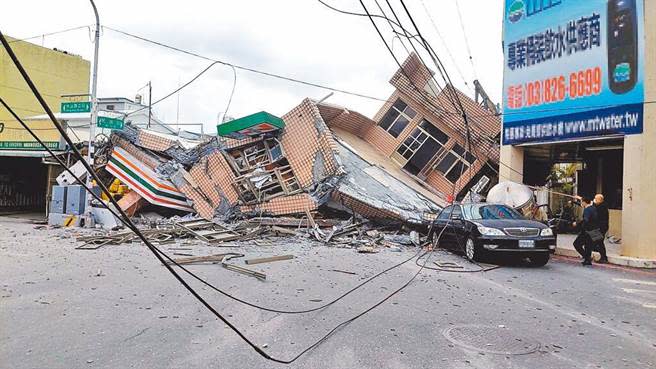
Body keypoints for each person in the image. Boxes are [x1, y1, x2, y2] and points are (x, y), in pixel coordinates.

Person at [572, 195, 599, 266]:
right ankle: (587, 260)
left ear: (584, 202)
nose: (581, 204)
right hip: (594, 230)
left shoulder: (587, 210)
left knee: (576, 244)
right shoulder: (593, 208)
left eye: (582, 202)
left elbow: (585, 220)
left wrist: (577, 223)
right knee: (588, 246)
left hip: (587, 230)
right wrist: (576, 200)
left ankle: (587, 258)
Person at [594, 194, 609, 263]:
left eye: (596, 199)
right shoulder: (599, 205)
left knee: (599, 242)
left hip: (601, 227)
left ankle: (604, 258)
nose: (595, 200)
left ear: (600, 200)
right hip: (599, 226)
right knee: (597, 241)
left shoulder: (602, 206)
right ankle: (602, 256)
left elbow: (593, 207)